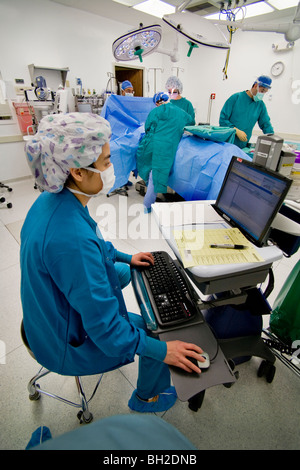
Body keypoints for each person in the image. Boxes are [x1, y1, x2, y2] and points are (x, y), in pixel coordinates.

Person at [20, 112, 204, 413]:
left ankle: (124, 280)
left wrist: (126, 257)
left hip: (42, 317)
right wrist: (164, 350)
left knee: (120, 272)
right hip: (63, 343)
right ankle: (147, 398)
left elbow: (93, 247)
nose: (112, 168)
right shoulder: (71, 241)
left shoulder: (53, 199)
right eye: (106, 161)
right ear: (78, 172)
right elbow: (106, 331)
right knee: (152, 330)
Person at [136, 92, 194, 210]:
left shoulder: (155, 111)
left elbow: (147, 128)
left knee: (152, 176)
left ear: (157, 103)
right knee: (159, 174)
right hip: (170, 147)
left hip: (154, 147)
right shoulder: (180, 112)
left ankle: (146, 207)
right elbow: (191, 123)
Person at [219, 75, 274, 149]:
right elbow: (223, 120)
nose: (262, 94)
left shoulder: (260, 105)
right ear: (255, 86)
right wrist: (235, 130)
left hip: (242, 145)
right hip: (226, 143)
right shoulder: (236, 98)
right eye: (262, 91)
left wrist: (273, 139)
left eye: (265, 92)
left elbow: (266, 124)